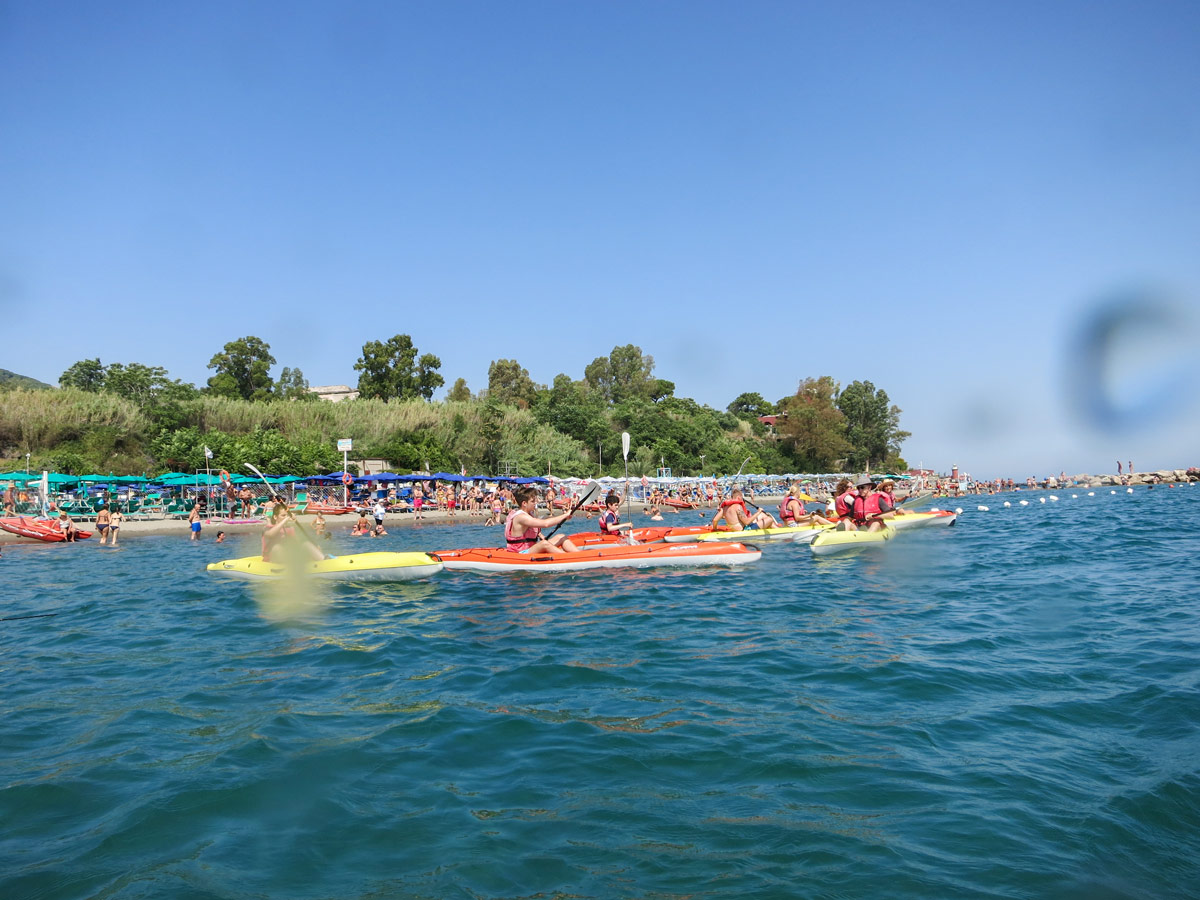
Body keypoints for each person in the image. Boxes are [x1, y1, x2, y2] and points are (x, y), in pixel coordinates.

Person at [503, 486, 582, 554]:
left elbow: (535, 532)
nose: (535, 503)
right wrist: (565, 515)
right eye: (532, 501)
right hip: (520, 552)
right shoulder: (521, 517)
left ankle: (580, 555)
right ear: (524, 503)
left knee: (561, 537)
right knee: (544, 544)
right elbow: (545, 524)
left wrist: (541, 536)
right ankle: (570, 558)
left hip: (531, 548)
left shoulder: (529, 514)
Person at [711, 488, 777, 532]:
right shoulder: (738, 507)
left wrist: (715, 529)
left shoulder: (724, 508)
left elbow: (715, 520)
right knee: (769, 519)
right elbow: (747, 522)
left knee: (763, 515)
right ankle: (780, 532)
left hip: (735, 529)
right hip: (744, 530)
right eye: (742, 498)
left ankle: (777, 530)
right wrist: (758, 512)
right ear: (739, 498)